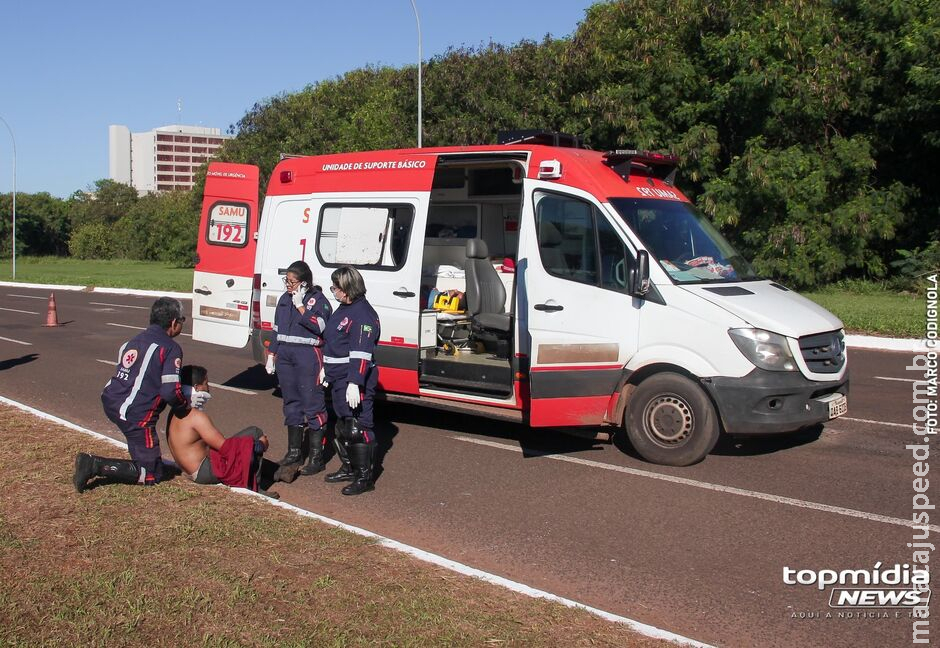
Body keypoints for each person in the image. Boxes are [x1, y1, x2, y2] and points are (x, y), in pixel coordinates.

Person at [74, 297, 195, 492]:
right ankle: (94, 464)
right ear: (174, 322)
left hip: (112, 400)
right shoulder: (170, 348)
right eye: (182, 320)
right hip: (136, 414)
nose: (182, 324)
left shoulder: (132, 341)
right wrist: (184, 406)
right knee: (152, 473)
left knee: (141, 449)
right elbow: (170, 391)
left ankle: (140, 454)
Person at [264, 260, 332, 483]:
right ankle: (294, 452)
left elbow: (320, 327)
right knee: (291, 403)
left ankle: (316, 457)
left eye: (292, 282)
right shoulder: (284, 300)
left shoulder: (318, 301)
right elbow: (277, 330)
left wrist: (301, 305)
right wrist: (272, 355)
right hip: (286, 356)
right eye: (287, 281)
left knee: (312, 403)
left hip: (307, 355)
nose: (288, 286)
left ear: (304, 283)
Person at [166, 365, 276, 496]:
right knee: (255, 432)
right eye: (206, 383)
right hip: (203, 473)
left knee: (246, 444)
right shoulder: (196, 417)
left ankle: (277, 471)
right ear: (196, 388)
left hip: (188, 469)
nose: (208, 388)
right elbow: (226, 448)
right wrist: (259, 445)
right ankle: (256, 490)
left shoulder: (174, 412)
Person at [322, 266, 381, 495]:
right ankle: (349, 467)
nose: (333, 292)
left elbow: (362, 352)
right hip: (337, 378)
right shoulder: (344, 308)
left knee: (358, 427)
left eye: (336, 287)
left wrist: (355, 382)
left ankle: (364, 477)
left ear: (347, 289)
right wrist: (325, 371)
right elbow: (334, 341)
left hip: (353, 379)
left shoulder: (363, 314)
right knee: (343, 427)